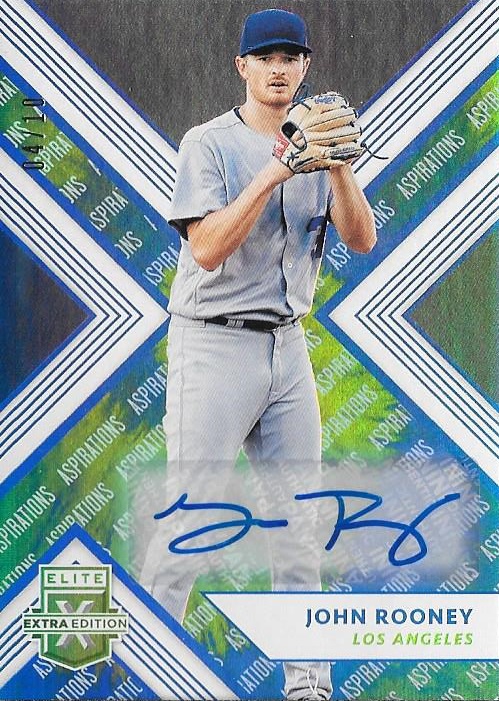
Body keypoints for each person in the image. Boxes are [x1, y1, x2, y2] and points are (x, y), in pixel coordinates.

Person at [141, 9, 376, 700]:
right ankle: (144, 670)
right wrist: (276, 169)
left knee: (300, 524)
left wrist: (337, 168)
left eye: (289, 57)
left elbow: (361, 240)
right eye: (265, 57)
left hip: (286, 346)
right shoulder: (208, 143)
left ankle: (308, 684)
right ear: (241, 66)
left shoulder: (318, 142)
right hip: (212, 343)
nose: (278, 68)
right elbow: (207, 249)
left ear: (305, 66)